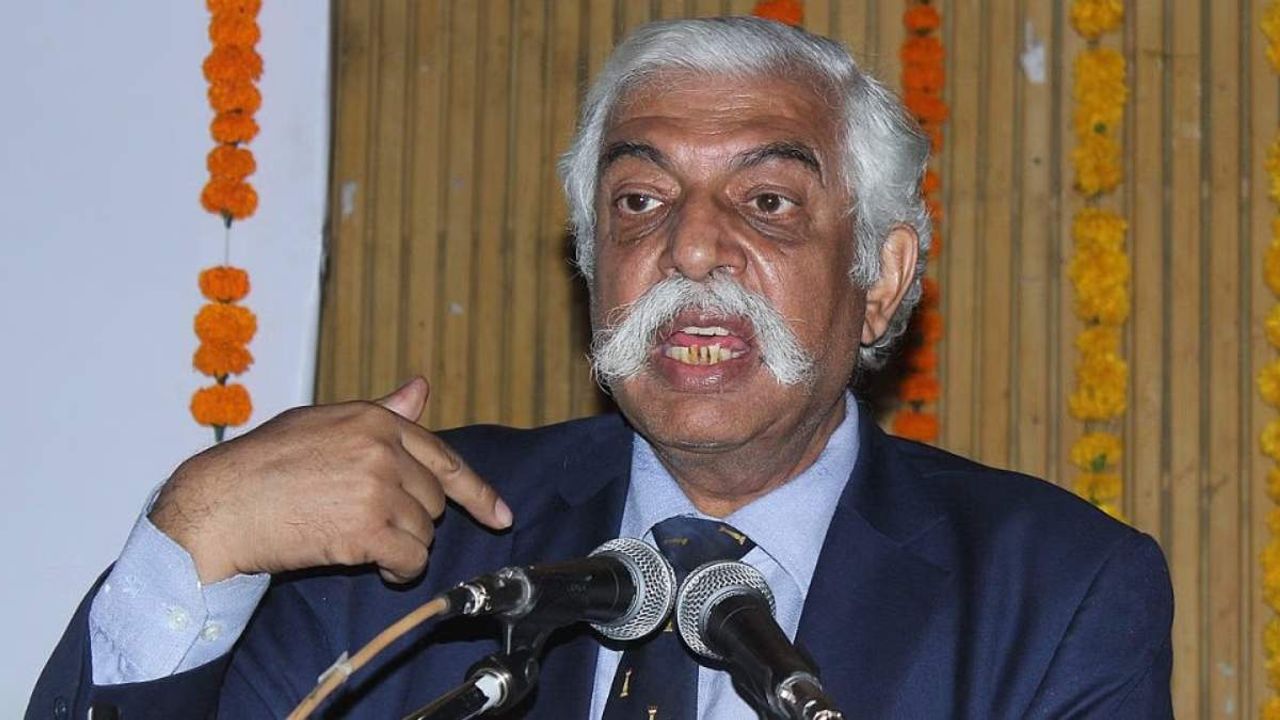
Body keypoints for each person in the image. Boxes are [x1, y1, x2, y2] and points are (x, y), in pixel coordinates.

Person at [27, 16, 1172, 720]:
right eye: (638, 201)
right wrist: (195, 535)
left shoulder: (1053, 593)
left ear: (879, 275)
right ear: (591, 262)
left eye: (766, 202)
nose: (690, 247)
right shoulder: (404, 552)